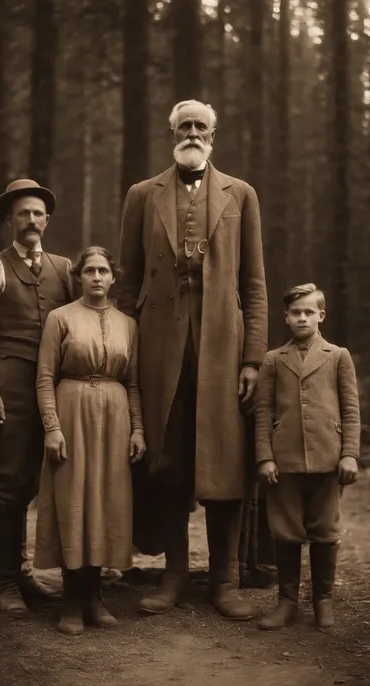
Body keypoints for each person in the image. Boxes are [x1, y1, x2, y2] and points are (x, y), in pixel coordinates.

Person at [118, 99, 268, 620]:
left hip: (223, 349)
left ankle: (224, 581)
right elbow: (127, 282)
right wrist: (124, 353)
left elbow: (254, 285)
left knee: (224, 463)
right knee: (169, 463)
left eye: (201, 126)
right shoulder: (142, 195)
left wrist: (252, 360)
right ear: (171, 133)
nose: (193, 132)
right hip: (161, 349)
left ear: (213, 136)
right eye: (184, 125)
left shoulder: (241, 194)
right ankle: (175, 577)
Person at [0, 179, 73, 617]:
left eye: (38, 213)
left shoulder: (65, 268)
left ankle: (51, 575)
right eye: (23, 213)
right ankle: (9, 579)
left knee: (57, 480)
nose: (31, 220)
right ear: (9, 219)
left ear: (47, 219)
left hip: (59, 387)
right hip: (12, 382)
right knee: (13, 483)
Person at [34, 246, 146, 635]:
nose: (96, 277)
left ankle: (95, 597)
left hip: (114, 417)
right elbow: (45, 376)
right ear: (78, 277)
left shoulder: (128, 324)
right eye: (89, 271)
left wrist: (138, 429)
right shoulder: (59, 318)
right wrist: (52, 426)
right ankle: (71, 599)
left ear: (113, 278)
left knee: (105, 500)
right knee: (72, 499)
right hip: (71, 410)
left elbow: (133, 383)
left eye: (103, 271)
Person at [255, 283, 360, 631]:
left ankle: (322, 602)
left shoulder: (337, 355)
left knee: (325, 530)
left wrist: (350, 455)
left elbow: (350, 409)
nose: (302, 317)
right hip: (284, 461)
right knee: (285, 532)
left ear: (321, 316)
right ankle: (286, 603)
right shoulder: (273, 359)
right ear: (285, 317)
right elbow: (263, 412)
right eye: (295, 313)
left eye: (309, 312)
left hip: (328, 459)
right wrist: (265, 457)